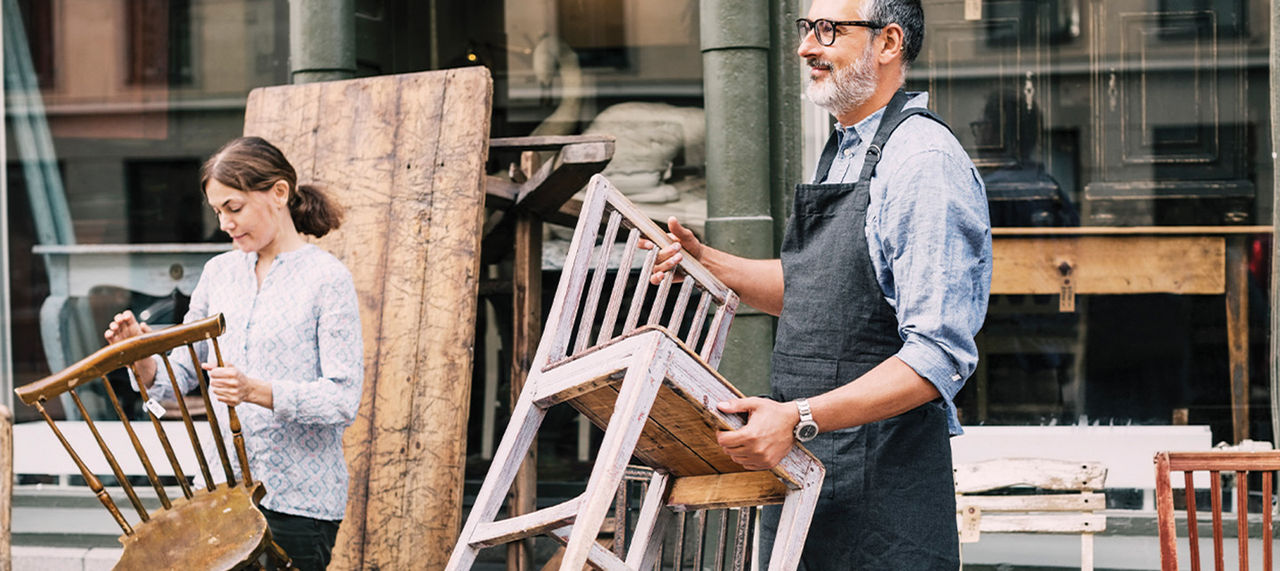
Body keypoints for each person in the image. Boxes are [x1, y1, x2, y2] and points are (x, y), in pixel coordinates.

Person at [647, 0, 991, 568]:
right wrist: (703, 260)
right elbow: (823, 292)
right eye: (806, 28)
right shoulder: (847, 149)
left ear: (888, 43)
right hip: (811, 479)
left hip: (881, 495)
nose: (807, 46)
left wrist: (797, 417)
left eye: (829, 30)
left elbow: (938, 355)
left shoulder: (923, 163)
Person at [103, 136, 364, 571]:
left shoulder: (327, 280)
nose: (224, 222)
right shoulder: (219, 273)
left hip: (299, 501)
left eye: (234, 208)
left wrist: (255, 390)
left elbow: (342, 399)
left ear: (278, 193)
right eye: (217, 211)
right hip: (220, 496)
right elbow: (180, 374)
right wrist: (141, 357)